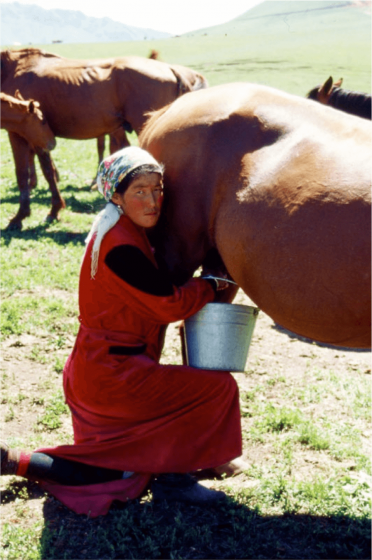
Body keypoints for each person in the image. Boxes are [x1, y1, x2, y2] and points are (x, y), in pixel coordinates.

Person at [0, 146, 244, 517]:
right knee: (217, 388)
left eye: (158, 189)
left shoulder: (117, 227)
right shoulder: (120, 245)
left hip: (98, 367)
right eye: (140, 192)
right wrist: (211, 284)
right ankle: (177, 481)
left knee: (118, 471)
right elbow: (170, 305)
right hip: (113, 378)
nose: (153, 201)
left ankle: (11, 460)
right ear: (115, 195)